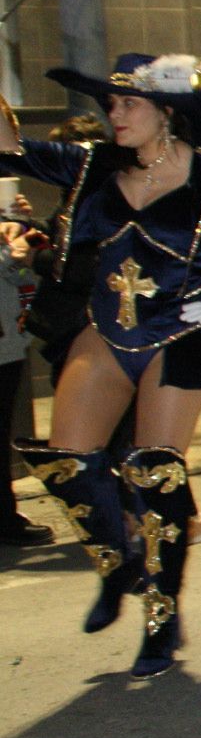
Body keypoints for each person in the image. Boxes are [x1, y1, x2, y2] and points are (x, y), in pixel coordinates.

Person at [0, 54, 201, 677]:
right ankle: (121, 565)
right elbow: (9, 150)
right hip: (107, 326)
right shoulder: (92, 165)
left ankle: (162, 615)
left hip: (181, 333)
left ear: (167, 113)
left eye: (127, 105)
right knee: (68, 462)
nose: (114, 115)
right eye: (109, 105)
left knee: (156, 476)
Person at [0, 220, 53, 546]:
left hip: (6, 344)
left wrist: (23, 229)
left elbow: (20, 278)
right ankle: (5, 521)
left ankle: (5, 517)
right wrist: (10, 251)